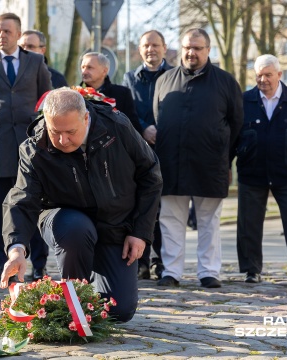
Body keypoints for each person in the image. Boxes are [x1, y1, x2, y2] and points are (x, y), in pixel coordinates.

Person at [0, 88, 162, 322]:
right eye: (56, 132)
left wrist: (140, 232)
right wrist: (16, 249)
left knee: (118, 311)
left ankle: (88, 286)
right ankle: (71, 300)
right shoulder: (35, 148)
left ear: (86, 118)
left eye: (71, 132)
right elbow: (22, 198)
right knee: (76, 227)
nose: (63, 141)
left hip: (115, 225)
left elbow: (151, 175)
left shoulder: (116, 128)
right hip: (65, 221)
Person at [153, 28, 243, 288]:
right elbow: (159, 118)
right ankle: (171, 271)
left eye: (197, 48)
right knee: (170, 220)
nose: (191, 52)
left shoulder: (226, 82)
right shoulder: (165, 80)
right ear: (181, 49)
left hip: (210, 163)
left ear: (208, 50)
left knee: (209, 221)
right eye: (187, 47)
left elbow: (237, 124)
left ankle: (209, 272)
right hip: (171, 162)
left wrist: (225, 156)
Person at [0, 13, 52, 284]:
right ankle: (1, 262)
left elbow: (47, 99)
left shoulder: (35, 61)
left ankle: (39, 264)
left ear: (18, 33)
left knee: (32, 203)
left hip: (30, 143)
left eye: (7, 31)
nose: (2, 35)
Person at [234, 55, 287, 284]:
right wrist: (225, 166)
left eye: (268, 74)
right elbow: (233, 138)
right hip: (252, 172)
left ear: (279, 74)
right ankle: (252, 270)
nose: (263, 79)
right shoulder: (244, 100)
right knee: (248, 222)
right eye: (258, 74)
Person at [122, 29, 173, 280]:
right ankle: (141, 261)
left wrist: (161, 129)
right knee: (142, 207)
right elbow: (127, 110)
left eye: (155, 45)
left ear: (164, 48)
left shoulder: (175, 75)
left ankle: (161, 262)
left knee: (165, 209)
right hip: (139, 150)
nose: (150, 49)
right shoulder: (130, 78)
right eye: (146, 45)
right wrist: (143, 128)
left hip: (168, 150)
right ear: (140, 50)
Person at [80, 52, 141, 133]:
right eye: (83, 67)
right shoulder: (75, 95)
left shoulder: (122, 94)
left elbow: (132, 127)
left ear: (104, 71)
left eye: (89, 67)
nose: (84, 72)